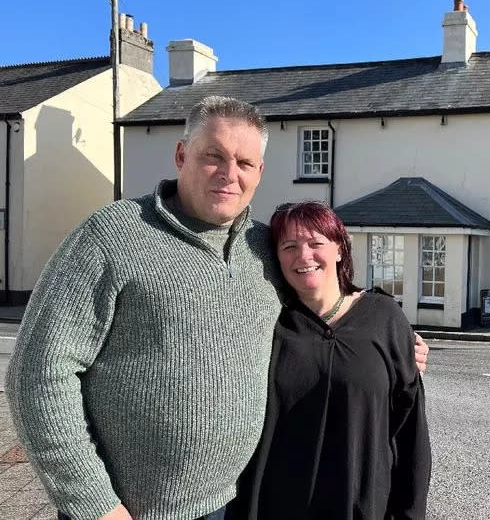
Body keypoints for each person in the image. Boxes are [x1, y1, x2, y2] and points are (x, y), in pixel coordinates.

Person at [4, 96, 428, 520]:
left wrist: (391, 343)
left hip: (231, 503)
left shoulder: (265, 249)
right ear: (181, 154)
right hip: (127, 511)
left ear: (259, 173)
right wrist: (95, 504)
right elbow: (38, 374)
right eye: (214, 156)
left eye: (245, 163)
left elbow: (320, 312)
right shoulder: (110, 237)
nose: (229, 174)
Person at [235, 201, 431, 519]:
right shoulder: (268, 324)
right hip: (280, 504)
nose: (304, 256)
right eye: (289, 246)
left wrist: (410, 512)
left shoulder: (384, 316)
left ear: (339, 248)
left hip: (363, 505)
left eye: (316, 243)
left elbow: (410, 429)